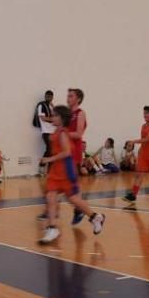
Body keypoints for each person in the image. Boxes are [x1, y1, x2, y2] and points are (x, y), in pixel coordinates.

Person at [39, 105, 105, 244]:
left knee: (74, 200)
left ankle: (95, 217)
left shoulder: (63, 133)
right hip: (56, 170)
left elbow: (67, 152)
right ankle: (52, 228)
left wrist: (48, 159)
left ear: (61, 118)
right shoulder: (58, 131)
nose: (52, 117)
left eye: (55, 115)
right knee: (50, 196)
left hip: (65, 170)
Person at [66, 88, 88, 224]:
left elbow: (78, 134)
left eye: (71, 96)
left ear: (78, 99)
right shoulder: (67, 113)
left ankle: (81, 210)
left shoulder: (81, 113)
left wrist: (62, 133)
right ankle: (51, 209)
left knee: (72, 182)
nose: (68, 98)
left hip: (74, 150)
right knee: (63, 182)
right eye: (67, 96)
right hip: (65, 149)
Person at [34, 90, 56, 175]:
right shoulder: (41, 105)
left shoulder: (51, 106)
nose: (48, 98)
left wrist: (53, 106)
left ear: (52, 97)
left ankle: (50, 171)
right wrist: (52, 119)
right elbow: (43, 118)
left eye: (50, 96)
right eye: (47, 96)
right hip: (46, 131)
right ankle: (42, 165)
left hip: (53, 132)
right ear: (45, 96)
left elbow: (56, 115)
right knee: (49, 149)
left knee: (53, 151)